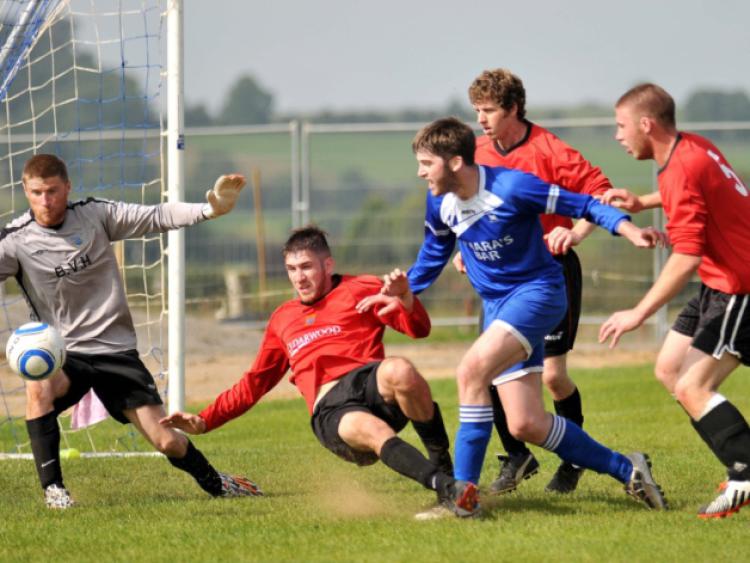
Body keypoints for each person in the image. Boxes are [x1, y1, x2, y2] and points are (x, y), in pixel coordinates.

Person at [395, 117, 668, 516]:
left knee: (471, 372)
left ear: (454, 162)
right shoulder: (440, 200)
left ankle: (463, 499)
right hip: (498, 307)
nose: (420, 173)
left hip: (538, 295)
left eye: (425, 163)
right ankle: (629, 470)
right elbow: (434, 253)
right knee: (526, 423)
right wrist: (403, 292)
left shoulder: (512, 186)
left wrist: (629, 230)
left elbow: (585, 204)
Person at [3, 154, 261, 509]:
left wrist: (208, 210)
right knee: (38, 386)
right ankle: (54, 492)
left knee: (167, 441)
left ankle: (219, 484)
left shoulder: (95, 216)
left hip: (115, 351)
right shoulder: (15, 241)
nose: (45, 201)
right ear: (24, 190)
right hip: (64, 353)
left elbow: (155, 216)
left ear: (67, 187)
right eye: (36, 193)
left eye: (52, 191)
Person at [160, 226, 466, 518]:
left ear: (327, 263)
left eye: (306, 267)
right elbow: (254, 384)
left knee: (401, 369)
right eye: (292, 269)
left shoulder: (362, 288)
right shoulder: (283, 319)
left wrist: (405, 299)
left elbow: (420, 330)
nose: (299, 277)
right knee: (370, 429)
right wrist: (204, 420)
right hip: (331, 408)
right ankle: (449, 488)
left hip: (370, 383)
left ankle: (448, 483)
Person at [453, 68, 616, 495]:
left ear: (512, 108)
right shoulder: (478, 152)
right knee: (485, 371)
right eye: (476, 111)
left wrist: (575, 232)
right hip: (503, 279)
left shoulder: (550, 150)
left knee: (554, 378)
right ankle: (518, 457)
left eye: (488, 111)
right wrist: (465, 250)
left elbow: (602, 193)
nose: (481, 120)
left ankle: (573, 461)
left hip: (550, 273)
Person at [599, 83, 750, 519]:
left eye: (621, 125)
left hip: (738, 287)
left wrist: (638, 313)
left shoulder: (682, 165)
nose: (618, 135)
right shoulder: (691, 148)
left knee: (693, 387)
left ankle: (744, 471)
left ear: (646, 124)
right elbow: (691, 195)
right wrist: (642, 202)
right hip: (717, 284)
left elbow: (686, 255)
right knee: (669, 369)